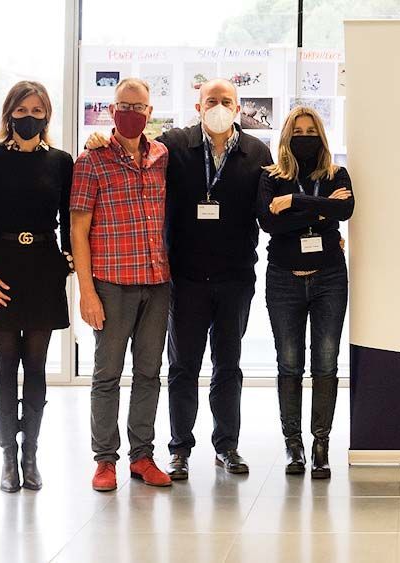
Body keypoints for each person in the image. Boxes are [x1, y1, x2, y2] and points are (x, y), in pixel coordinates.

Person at [90, 80, 274, 479]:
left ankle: (227, 446)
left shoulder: (257, 152)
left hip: (235, 278)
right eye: (212, 101)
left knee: (229, 365)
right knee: (182, 366)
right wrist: (97, 139)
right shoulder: (174, 145)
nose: (219, 107)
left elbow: (269, 208)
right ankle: (179, 449)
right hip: (185, 278)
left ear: (239, 107)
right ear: (198, 105)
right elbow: (130, 144)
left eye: (227, 102)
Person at [0, 81, 73, 493]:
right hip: (2, 267)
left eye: (38, 110)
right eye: (22, 110)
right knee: (5, 363)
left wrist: (66, 263)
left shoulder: (62, 161)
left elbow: (68, 217)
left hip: (44, 267)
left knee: (36, 364)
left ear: (47, 115)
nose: (30, 118)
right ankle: (7, 458)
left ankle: (31, 455)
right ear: (9, 113)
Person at [71, 78, 172, 491]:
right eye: (123, 104)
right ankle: (104, 460)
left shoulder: (163, 156)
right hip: (111, 285)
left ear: (150, 112)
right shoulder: (90, 160)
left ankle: (142, 457)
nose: (131, 112)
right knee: (107, 374)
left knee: (149, 373)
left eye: (140, 106)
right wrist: (86, 291)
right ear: (111, 110)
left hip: (158, 282)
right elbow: (78, 230)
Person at [259, 106, 354, 480]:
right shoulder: (270, 177)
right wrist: (321, 211)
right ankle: (293, 444)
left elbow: (345, 209)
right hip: (283, 279)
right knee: (289, 363)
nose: (304, 137)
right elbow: (269, 223)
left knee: (326, 364)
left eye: (311, 130)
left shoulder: (336, 173)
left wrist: (296, 203)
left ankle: (320, 444)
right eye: (297, 130)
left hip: (330, 278)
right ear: (286, 135)